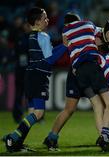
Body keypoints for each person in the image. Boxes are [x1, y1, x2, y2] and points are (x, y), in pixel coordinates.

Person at [43, 13, 109, 152]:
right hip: (89, 69)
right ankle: (105, 135)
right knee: (103, 105)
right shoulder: (90, 28)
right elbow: (103, 35)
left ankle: (52, 137)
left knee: (70, 109)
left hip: (76, 72)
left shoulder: (67, 34)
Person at [3, 7, 65, 152]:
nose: (47, 20)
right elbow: (50, 60)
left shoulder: (32, 36)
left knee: (32, 112)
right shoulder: (43, 36)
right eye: (45, 18)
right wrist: (65, 47)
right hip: (38, 77)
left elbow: (46, 55)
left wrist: (63, 46)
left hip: (30, 75)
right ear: (37, 21)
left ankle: (17, 143)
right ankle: (13, 138)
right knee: (39, 112)